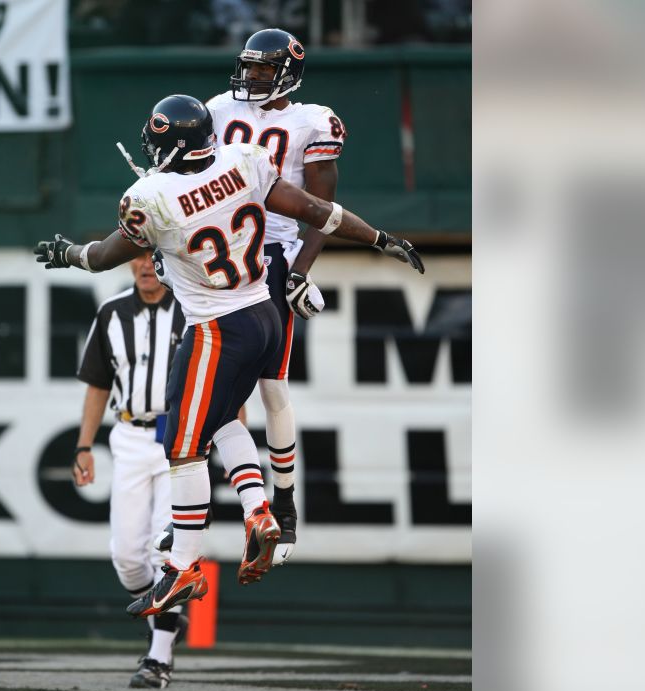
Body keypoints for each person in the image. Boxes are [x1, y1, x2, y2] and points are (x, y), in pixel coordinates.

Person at [35, 93, 424, 619]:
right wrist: (380, 238)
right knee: (220, 422)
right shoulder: (245, 160)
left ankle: (183, 568)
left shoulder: (151, 196)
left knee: (182, 445)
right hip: (264, 311)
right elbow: (318, 212)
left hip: (215, 328)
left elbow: (105, 256)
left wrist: (67, 254)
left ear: (171, 145)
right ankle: (260, 511)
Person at [202, 27, 345, 565]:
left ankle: (284, 501)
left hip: (273, 255)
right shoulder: (218, 108)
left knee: (271, 386)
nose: (254, 76)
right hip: (220, 255)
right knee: (212, 387)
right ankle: (220, 504)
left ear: (288, 70)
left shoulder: (312, 121)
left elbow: (322, 210)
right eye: (250, 66)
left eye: (264, 68)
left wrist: (302, 270)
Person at [72, 249, 188, 689]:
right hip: (129, 437)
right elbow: (99, 384)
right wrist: (84, 445)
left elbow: (224, 381)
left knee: (167, 551)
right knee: (126, 558)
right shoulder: (111, 312)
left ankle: (159, 657)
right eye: (136, 258)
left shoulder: (192, 305)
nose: (143, 266)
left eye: (152, 257)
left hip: (181, 439)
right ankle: (168, 617)